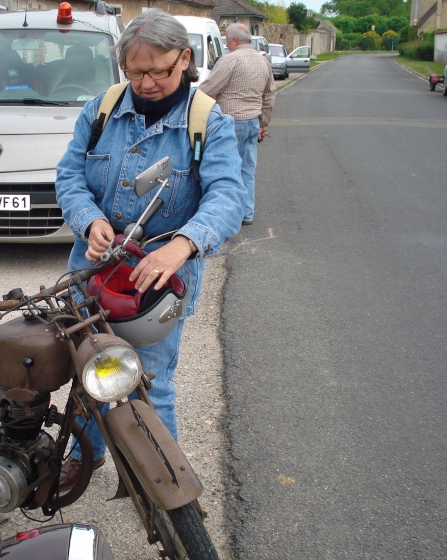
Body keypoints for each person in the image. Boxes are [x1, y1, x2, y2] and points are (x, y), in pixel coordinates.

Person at [54, 9, 246, 489]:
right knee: (88, 375)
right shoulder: (100, 111)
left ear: (185, 58)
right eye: (136, 71)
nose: (148, 82)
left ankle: (165, 487)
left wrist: (181, 245)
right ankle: (86, 456)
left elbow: (228, 196)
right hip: (91, 276)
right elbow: (69, 176)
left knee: (148, 386)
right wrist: (89, 219)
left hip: (155, 286)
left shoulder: (208, 124)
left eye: (160, 70)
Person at [199, 22, 275, 226]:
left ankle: (226, 216)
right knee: (247, 170)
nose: (226, 43)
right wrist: (263, 123)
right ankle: (246, 213)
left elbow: (207, 90)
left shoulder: (230, 61)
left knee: (225, 170)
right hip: (252, 122)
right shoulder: (263, 62)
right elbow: (269, 96)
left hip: (231, 122)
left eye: (226, 39)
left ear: (233, 40)